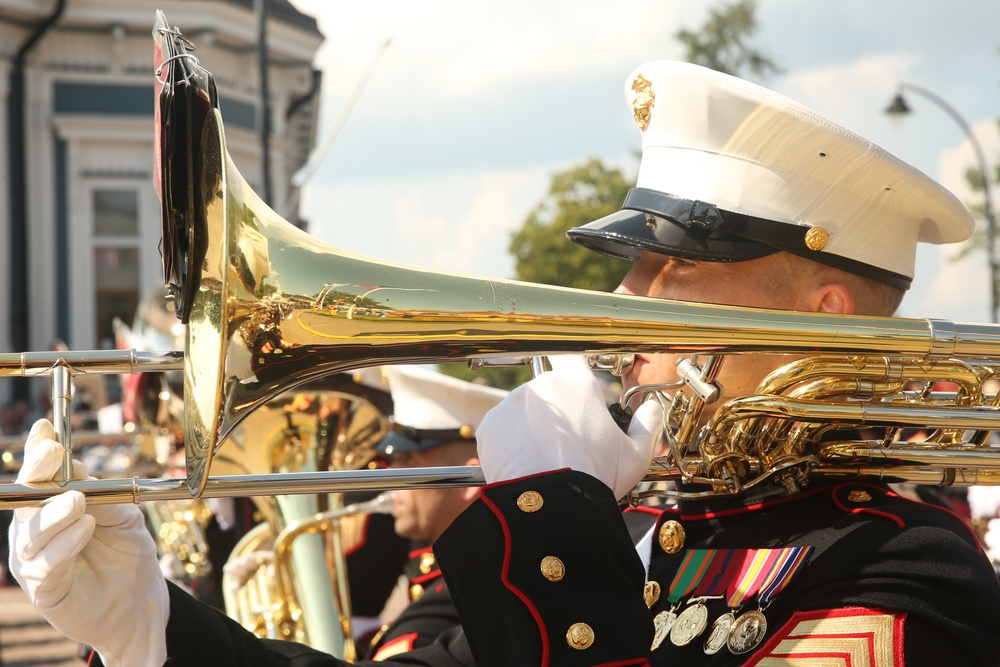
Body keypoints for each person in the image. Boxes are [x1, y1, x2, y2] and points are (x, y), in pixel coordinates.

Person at [9, 60, 1000, 667]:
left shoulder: (903, 568)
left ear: (823, 316)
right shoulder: (646, 514)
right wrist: (150, 633)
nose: (618, 308)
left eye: (673, 269)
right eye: (631, 268)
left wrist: (553, 526)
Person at [364, 365, 508, 660]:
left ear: (468, 478)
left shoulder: (465, 592)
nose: (389, 475)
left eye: (407, 459)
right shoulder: (446, 575)